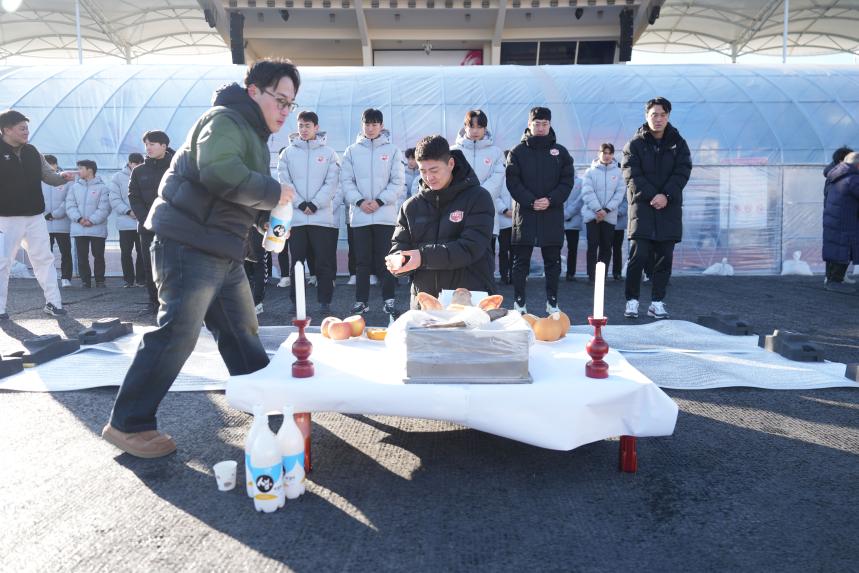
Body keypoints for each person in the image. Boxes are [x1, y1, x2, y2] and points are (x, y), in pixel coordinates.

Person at [102, 58, 300, 459]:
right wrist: (272, 191)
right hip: (188, 241)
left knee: (241, 328)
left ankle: (259, 398)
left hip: (222, 247)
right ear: (254, 92)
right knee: (178, 332)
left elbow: (235, 191)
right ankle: (129, 424)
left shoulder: (253, 135)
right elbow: (219, 173)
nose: (284, 111)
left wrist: (266, 219)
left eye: (290, 104)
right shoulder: (224, 119)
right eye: (279, 99)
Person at [388, 135, 495, 300]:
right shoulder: (411, 207)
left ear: (451, 164)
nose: (429, 177)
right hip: (425, 301)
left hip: (469, 298)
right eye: (423, 171)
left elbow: (471, 247)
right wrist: (398, 261)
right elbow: (399, 247)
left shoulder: (478, 198)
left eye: (434, 170)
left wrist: (422, 257)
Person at [621, 96, 692, 320]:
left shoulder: (678, 143)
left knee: (664, 259)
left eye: (662, 115)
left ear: (668, 116)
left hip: (668, 210)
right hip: (643, 209)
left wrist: (667, 195)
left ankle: (657, 303)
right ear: (646, 116)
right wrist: (654, 195)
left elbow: (683, 171)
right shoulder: (635, 144)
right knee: (638, 256)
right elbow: (631, 175)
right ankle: (632, 301)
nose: (658, 119)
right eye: (654, 115)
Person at [0, 110, 74, 319]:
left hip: (34, 216)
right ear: (6, 129)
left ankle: (54, 303)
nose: (26, 132)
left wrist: (62, 177)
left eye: (27, 127)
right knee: (2, 263)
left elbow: (48, 175)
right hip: (5, 218)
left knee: (44, 259)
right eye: (22, 128)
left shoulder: (32, 151)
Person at [505, 106, 574, 314]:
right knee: (520, 262)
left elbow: (567, 181)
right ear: (529, 125)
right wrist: (530, 201)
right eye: (537, 124)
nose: (541, 127)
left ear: (550, 125)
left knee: (552, 262)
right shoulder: (518, 152)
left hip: (551, 215)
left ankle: (552, 303)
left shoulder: (560, 153)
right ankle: (519, 304)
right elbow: (512, 181)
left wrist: (550, 200)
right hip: (525, 215)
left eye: (545, 124)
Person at [340, 108, 404, 316]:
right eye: (367, 124)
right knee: (362, 261)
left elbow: (398, 182)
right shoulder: (351, 151)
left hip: (384, 215)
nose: (371, 128)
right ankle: (361, 301)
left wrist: (379, 201)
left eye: (375, 124)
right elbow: (346, 181)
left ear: (381, 126)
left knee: (385, 259)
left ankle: (389, 299)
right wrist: (359, 201)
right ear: (362, 125)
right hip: (360, 215)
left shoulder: (393, 150)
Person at [277, 110, 341, 314]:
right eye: (300, 126)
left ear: (316, 127)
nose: (304, 130)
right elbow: (284, 180)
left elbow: (332, 182)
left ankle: (325, 301)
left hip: (321, 218)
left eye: (308, 126)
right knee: (296, 262)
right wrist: (299, 203)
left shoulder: (328, 153)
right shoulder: (287, 153)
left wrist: (315, 204)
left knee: (323, 261)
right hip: (296, 218)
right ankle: (296, 303)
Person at [451, 110, 506, 274]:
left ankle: (485, 295)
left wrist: (477, 196)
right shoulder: (453, 151)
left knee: (485, 259)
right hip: (458, 212)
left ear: (485, 128)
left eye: (479, 126)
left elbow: (497, 179)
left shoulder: (496, 152)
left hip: (486, 211)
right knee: (458, 258)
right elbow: (449, 179)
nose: (475, 131)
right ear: (465, 127)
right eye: (471, 126)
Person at [129, 130, 174, 313]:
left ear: (164, 146)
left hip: (173, 227)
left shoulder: (176, 167)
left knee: (173, 265)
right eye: (146, 144)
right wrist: (147, 218)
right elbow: (134, 196)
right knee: (150, 266)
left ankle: (173, 302)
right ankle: (154, 302)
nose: (148, 148)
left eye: (152, 144)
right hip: (147, 226)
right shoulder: (139, 171)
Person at [581, 142, 625, 283]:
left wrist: (606, 210)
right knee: (593, 245)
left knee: (607, 246)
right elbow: (587, 192)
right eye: (604, 153)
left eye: (609, 153)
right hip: (592, 215)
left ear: (613, 155)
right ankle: (592, 276)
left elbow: (619, 193)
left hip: (609, 216)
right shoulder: (590, 172)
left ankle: (602, 276)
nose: (607, 156)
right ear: (599, 153)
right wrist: (598, 210)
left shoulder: (619, 173)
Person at [66, 160, 111, 288]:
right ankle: (85, 281)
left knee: (98, 255)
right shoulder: (75, 187)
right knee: (82, 256)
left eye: (80, 168)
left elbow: (105, 208)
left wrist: (92, 220)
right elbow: (70, 205)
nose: (78, 171)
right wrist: (79, 219)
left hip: (97, 228)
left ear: (90, 170)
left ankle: (100, 280)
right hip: (79, 227)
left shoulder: (103, 188)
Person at [822, 152, 859, 293]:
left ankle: (832, 280)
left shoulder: (836, 175)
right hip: (846, 221)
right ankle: (835, 282)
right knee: (842, 250)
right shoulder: (853, 178)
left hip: (835, 219)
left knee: (836, 249)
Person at [109, 153, 145, 288]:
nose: (137, 166)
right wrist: (128, 211)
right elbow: (114, 198)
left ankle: (141, 279)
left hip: (142, 221)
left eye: (140, 164)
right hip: (125, 222)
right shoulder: (118, 177)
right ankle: (128, 280)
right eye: (135, 164)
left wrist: (141, 212)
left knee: (142, 252)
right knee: (126, 252)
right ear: (129, 163)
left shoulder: (145, 175)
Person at [42, 154, 73, 289]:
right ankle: (48, 278)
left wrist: (55, 214)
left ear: (55, 165)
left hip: (62, 223)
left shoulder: (65, 179)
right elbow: (35, 198)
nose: (48, 168)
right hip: (44, 223)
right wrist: (45, 214)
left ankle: (66, 277)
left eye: (50, 165)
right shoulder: (38, 180)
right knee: (45, 253)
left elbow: (69, 200)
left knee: (65, 251)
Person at [496, 151, 514, 284]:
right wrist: (505, 210)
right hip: (503, 221)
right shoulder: (499, 178)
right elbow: (495, 196)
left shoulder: (520, 176)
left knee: (516, 250)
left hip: (518, 221)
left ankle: (515, 275)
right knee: (503, 250)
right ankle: (504, 275)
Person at [562, 172, 583, 281]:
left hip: (573, 221)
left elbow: (580, 200)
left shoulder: (580, 182)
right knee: (555, 248)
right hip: (557, 221)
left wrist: (567, 213)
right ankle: (555, 272)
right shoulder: (557, 180)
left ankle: (571, 273)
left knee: (572, 248)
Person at [611, 188, 628, 281]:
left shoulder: (622, 187)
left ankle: (617, 272)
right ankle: (602, 273)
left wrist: (616, 212)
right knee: (605, 249)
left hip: (618, 223)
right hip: (606, 222)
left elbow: (625, 202)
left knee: (617, 249)